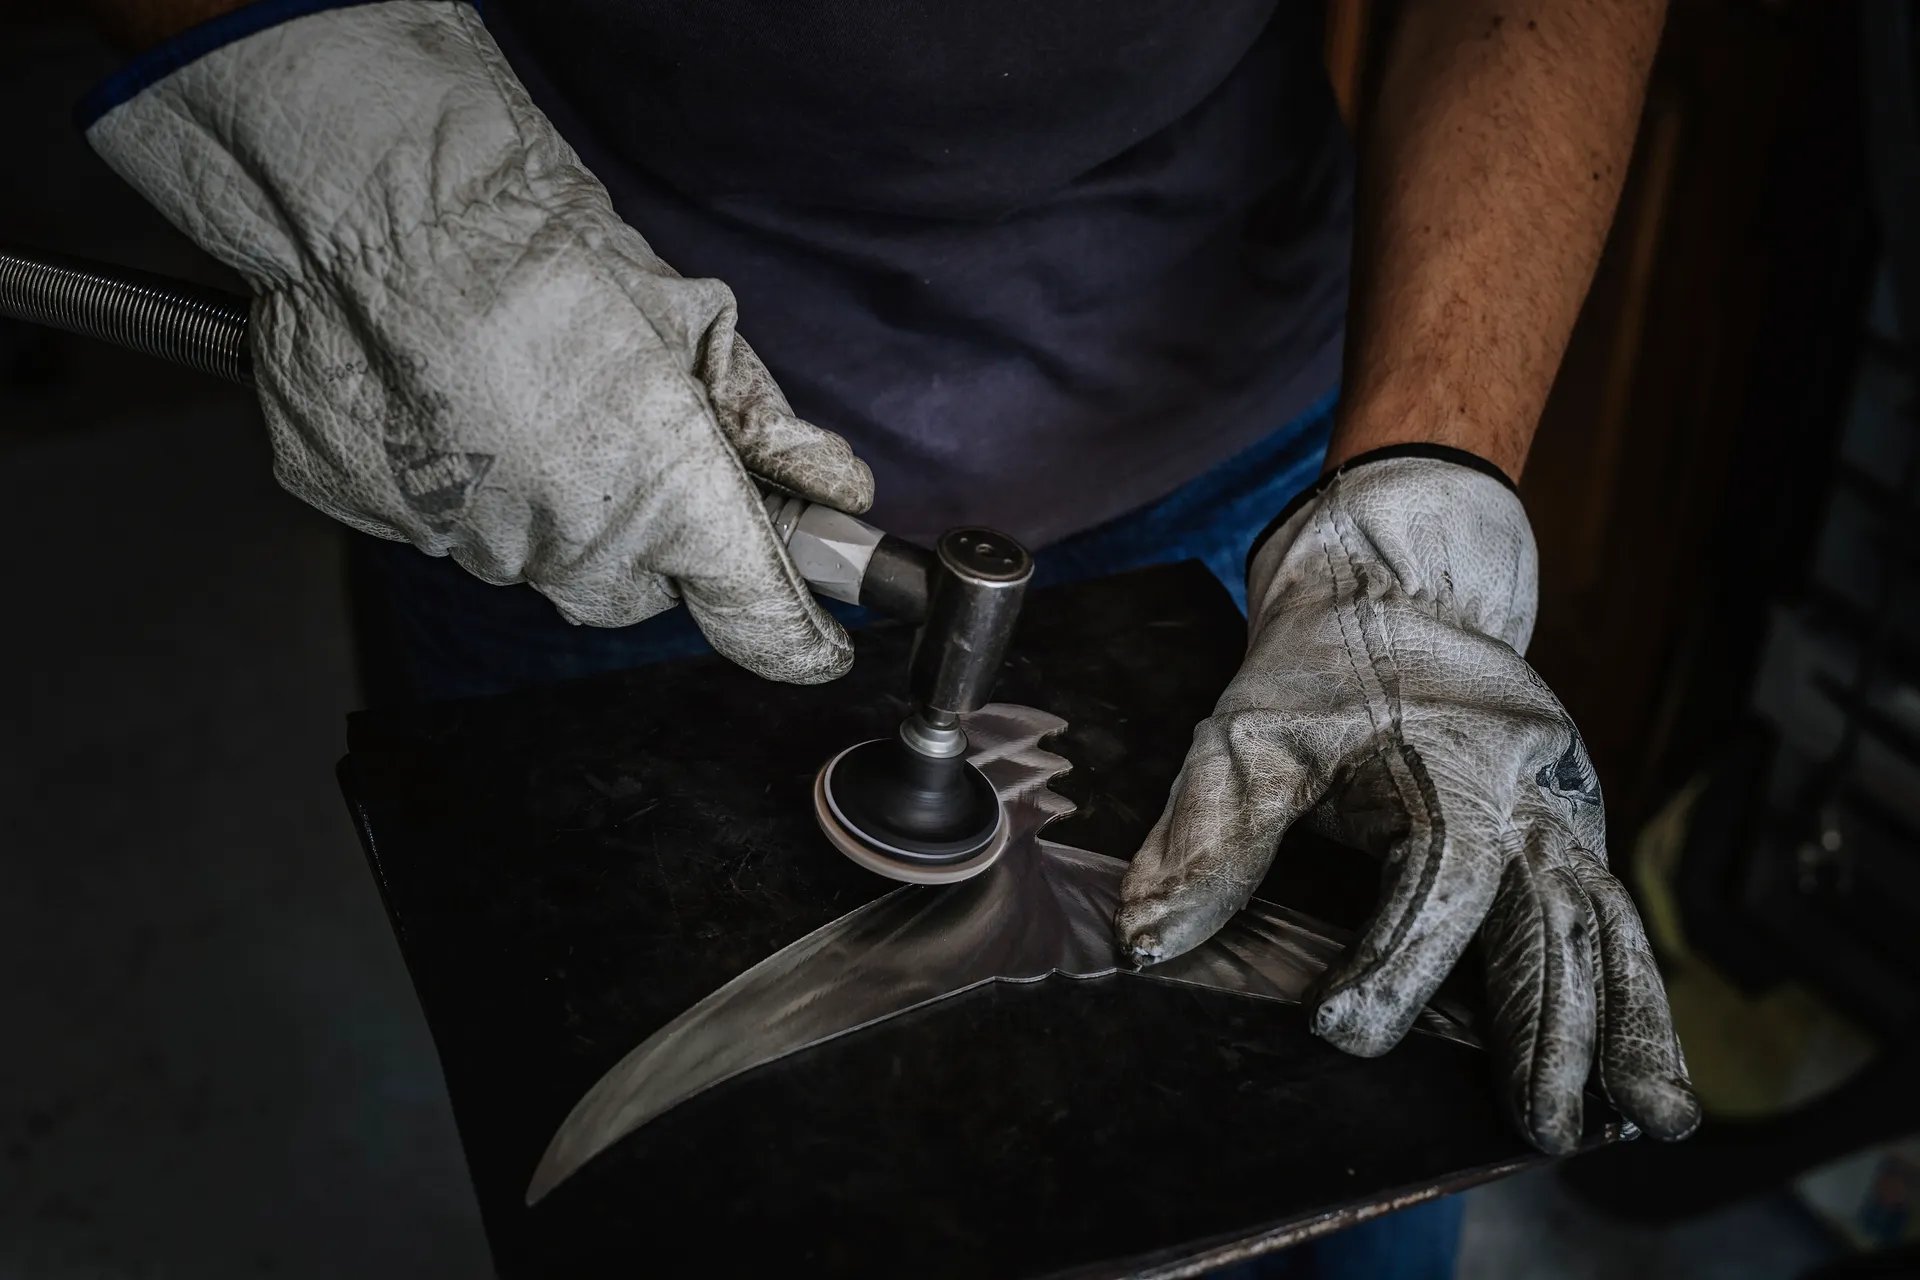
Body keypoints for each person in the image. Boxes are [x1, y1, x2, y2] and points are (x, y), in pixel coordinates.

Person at [76, 0, 1701, 1272]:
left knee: (1357, 1129)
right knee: (713, 1207)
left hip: (1265, 431)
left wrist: (1430, 480)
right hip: (563, 430)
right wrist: (390, 204)